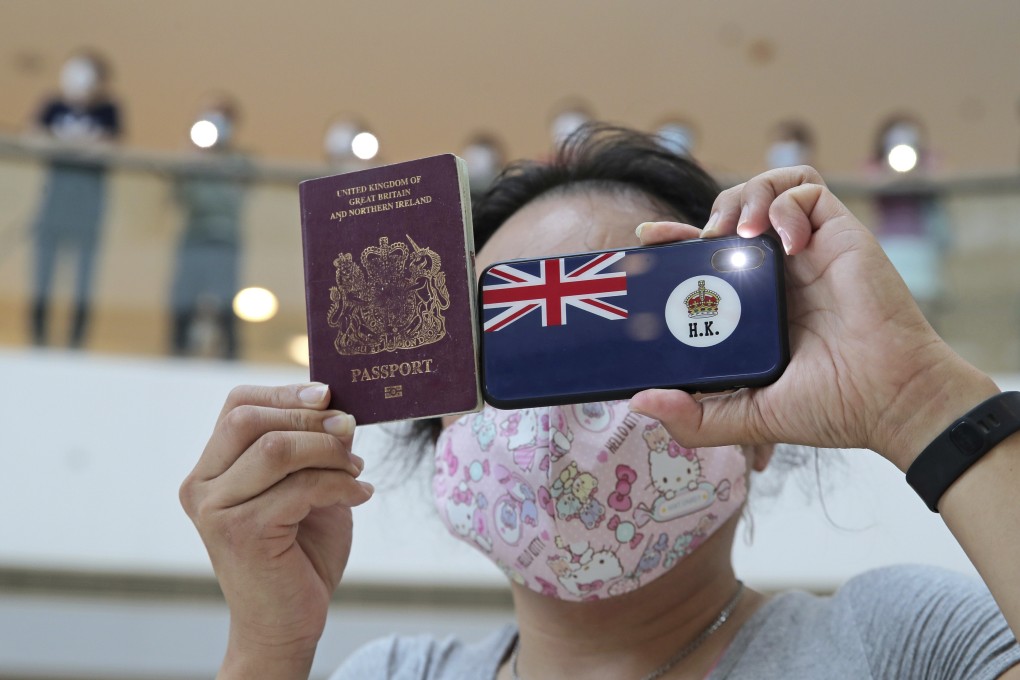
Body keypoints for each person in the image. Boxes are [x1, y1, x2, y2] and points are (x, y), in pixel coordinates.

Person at [179, 125, 1020, 679]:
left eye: (621, 333)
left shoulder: (901, 646)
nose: (553, 423)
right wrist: (269, 646)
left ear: (762, 421)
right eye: (507, 345)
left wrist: (921, 400)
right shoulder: (396, 674)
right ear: (436, 418)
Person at [27, 48, 122, 348]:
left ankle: (76, 341)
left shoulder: (108, 110)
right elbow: (32, 139)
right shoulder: (53, 105)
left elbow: (111, 147)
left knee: (83, 275)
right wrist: (82, 144)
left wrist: (65, 143)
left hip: (89, 206)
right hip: (53, 201)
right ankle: (39, 337)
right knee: (43, 271)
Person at [169, 96, 251, 360]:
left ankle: (230, 356)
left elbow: (233, 198)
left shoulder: (240, 161)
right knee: (184, 296)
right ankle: (176, 353)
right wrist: (189, 163)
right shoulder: (191, 161)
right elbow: (177, 198)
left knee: (225, 298)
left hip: (225, 238)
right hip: (194, 235)